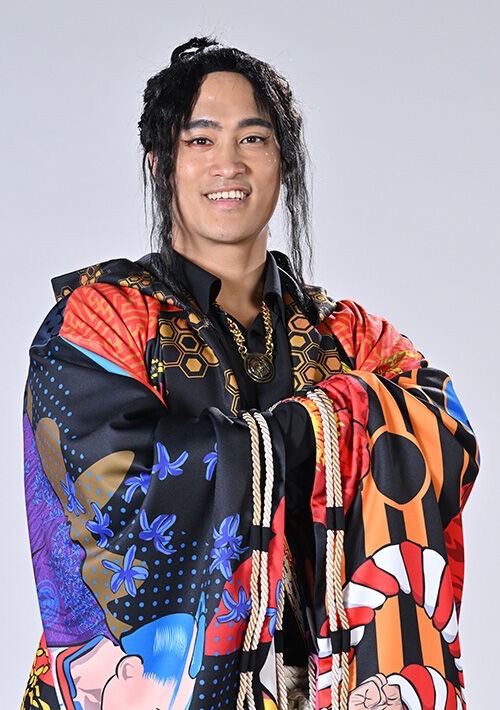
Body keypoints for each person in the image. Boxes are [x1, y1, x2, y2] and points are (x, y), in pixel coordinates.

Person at [22, 37, 478, 710]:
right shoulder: (99, 322)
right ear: (160, 164)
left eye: (254, 138)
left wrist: (312, 429)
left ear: (283, 162)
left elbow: (445, 431)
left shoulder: (347, 334)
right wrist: (322, 428)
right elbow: (112, 492)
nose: (228, 163)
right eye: (201, 139)